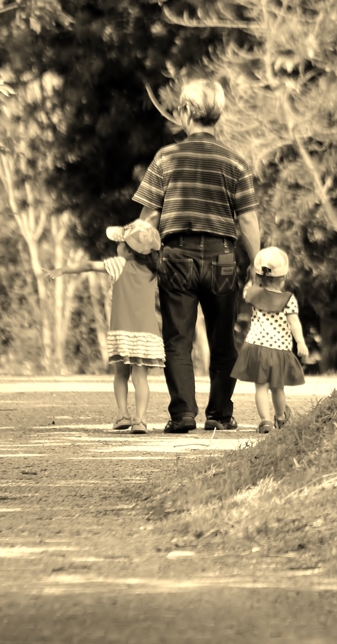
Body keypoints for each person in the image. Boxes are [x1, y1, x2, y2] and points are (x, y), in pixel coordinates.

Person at [132, 78, 261, 434]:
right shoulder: (235, 161)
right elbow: (248, 220)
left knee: (178, 340)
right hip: (222, 257)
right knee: (224, 340)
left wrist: (135, 250)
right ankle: (219, 414)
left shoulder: (166, 158)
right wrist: (255, 264)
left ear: (187, 112)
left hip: (177, 255)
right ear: (217, 115)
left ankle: (183, 414)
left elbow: (149, 219)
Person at [46, 220, 164, 434]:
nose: (116, 247)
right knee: (140, 378)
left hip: (122, 332)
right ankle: (141, 419)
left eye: (119, 243)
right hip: (147, 333)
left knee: (121, 374)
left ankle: (122, 414)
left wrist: (63, 270)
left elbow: (90, 265)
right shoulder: (152, 270)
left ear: (127, 250)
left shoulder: (119, 265)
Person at [230, 247, 309, 434]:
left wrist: (253, 276)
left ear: (259, 276)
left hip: (256, 348)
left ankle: (265, 420)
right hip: (279, 350)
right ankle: (281, 417)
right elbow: (294, 322)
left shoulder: (253, 294)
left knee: (261, 387)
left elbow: (247, 290)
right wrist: (301, 342)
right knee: (277, 387)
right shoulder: (289, 299)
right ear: (284, 277)